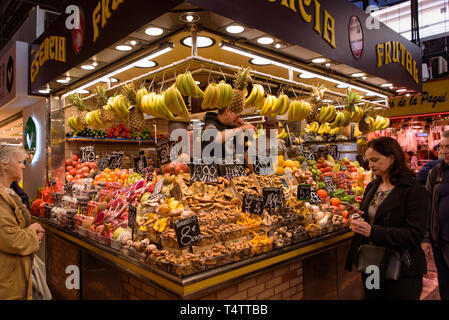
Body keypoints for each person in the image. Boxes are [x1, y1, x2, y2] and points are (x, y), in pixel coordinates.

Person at [345, 137, 430, 300]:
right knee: (372, 297)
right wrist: (356, 215)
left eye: (375, 160)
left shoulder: (414, 191)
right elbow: (373, 217)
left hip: (401, 267)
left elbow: (414, 234)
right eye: (368, 160)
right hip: (371, 265)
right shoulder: (372, 186)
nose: (370, 165)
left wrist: (373, 232)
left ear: (392, 158)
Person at [0, 145, 45, 299]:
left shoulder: (10, 192)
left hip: (13, 273)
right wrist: (32, 231)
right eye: (19, 162)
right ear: (4, 164)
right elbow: (8, 238)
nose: (24, 166)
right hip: (6, 278)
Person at [425, 130, 449, 300]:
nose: (445, 150)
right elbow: (426, 205)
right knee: (445, 284)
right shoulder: (436, 171)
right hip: (441, 241)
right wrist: (426, 238)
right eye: (443, 147)